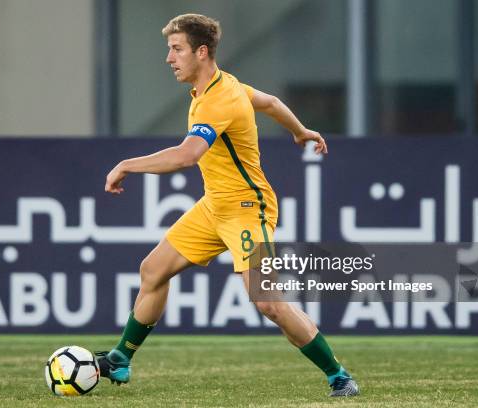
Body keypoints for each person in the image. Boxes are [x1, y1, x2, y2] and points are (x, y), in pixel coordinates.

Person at [97, 13, 359, 397]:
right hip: (214, 206)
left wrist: (126, 165)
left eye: (176, 49)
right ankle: (121, 359)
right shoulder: (223, 86)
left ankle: (339, 376)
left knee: (268, 301)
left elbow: (187, 156)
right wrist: (299, 130)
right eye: (170, 49)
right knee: (153, 270)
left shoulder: (218, 101)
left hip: (247, 208)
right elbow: (269, 102)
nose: (169, 58)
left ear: (201, 52)